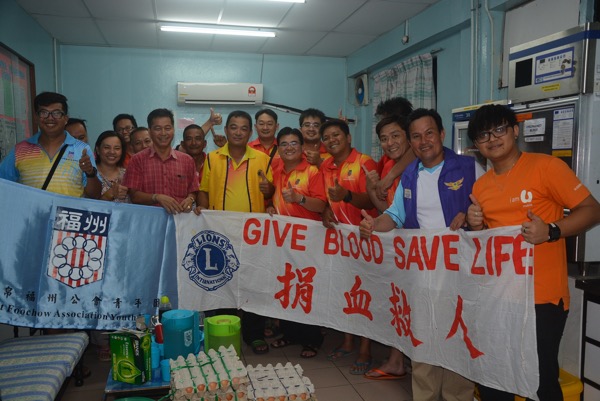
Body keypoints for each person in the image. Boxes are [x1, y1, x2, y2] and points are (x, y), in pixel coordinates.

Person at [465, 104, 600, 401]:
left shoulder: (546, 167)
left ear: (515, 131)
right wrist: (476, 225)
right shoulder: (481, 186)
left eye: (499, 129)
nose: (492, 139)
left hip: (542, 298)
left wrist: (551, 230)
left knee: (539, 380)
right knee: (493, 379)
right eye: (483, 134)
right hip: (498, 297)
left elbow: (592, 210)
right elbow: (487, 242)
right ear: (476, 144)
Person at [359, 108, 477, 401]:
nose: (424, 141)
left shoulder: (469, 168)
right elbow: (394, 216)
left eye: (429, 133)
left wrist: (472, 216)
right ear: (411, 143)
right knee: (424, 342)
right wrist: (373, 225)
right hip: (422, 275)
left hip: (460, 276)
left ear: (442, 134)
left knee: (456, 340)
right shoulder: (410, 175)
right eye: (416, 136)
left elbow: (489, 211)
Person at [195, 110, 274, 355]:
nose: (238, 132)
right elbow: (204, 190)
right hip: (221, 233)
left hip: (253, 235)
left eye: (243, 128)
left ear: (250, 132)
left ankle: (254, 334)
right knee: (223, 283)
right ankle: (225, 330)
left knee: (253, 283)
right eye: (233, 127)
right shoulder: (212, 158)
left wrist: (269, 191)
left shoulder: (263, 159)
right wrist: (203, 211)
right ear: (226, 130)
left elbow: (271, 193)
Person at [319, 118, 378, 375]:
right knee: (345, 290)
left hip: (365, 239)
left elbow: (373, 201)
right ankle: (347, 341)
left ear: (348, 137)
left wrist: (347, 196)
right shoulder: (325, 165)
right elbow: (326, 198)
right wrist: (325, 210)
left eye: (336, 135)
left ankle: (365, 349)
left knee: (365, 293)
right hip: (341, 242)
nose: (331, 140)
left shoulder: (365, 163)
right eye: (327, 137)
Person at [264, 127, 327, 358]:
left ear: (302, 147)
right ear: (278, 148)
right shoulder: (276, 169)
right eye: (284, 144)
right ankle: (289, 333)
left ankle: (311, 339)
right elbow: (272, 196)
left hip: (308, 242)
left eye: (293, 143)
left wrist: (299, 198)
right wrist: (270, 206)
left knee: (307, 287)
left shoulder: (312, 171)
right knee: (287, 285)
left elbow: (321, 205)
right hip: (283, 242)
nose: (289, 148)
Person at [362, 115, 412, 380]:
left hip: (419, 250)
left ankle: (399, 360)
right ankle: (397, 359)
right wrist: (372, 189)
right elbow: (389, 212)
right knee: (399, 302)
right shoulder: (388, 165)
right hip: (399, 250)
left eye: (395, 136)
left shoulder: (418, 162)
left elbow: (416, 152)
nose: (390, 142)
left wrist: (389, 177)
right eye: (384, 138)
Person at [0, 91, 101, 199]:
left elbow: (95, 195)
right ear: (36, 117)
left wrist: (90, 172)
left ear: (65, 119)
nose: (50, 118)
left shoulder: (82, 149)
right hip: (33, 210)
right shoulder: (20, 150)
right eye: (44, 112)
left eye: (56, 113)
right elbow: (2, 185)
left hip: (68, 210)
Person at [122, 108, 198, 214]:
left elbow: (193, 191)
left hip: (180, 220)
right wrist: (156, 197)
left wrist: (190, 199)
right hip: (149, 221)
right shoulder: (137, 160)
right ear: (149, 131)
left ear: (173, 129)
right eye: (158, 129)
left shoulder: (187, 160)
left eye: (167, 128)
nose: (163, 133)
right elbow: (134, 196)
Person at [94, 130, 129, 203]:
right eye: (107, 147)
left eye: (117, 148)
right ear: (98, 150)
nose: (112, 152)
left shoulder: (128, 174)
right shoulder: (90, 174)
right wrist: (108, 195)